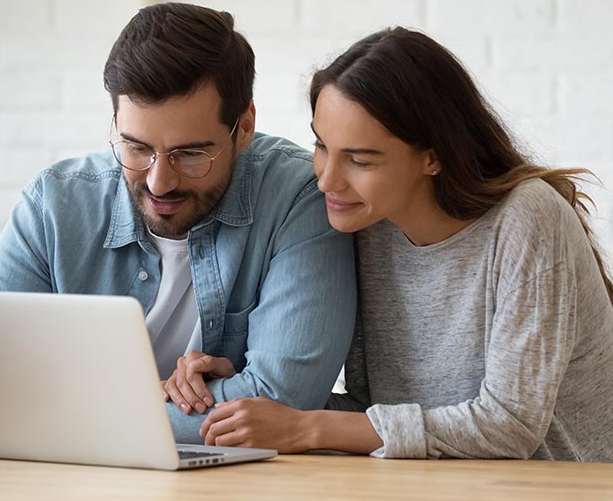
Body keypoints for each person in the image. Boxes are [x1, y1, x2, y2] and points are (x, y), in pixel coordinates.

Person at [0, 3, 356, 445]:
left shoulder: (298, 197)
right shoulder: (54, 205)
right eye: (135, 147)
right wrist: (145, 404)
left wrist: (55, 410)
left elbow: (284, 401)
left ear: (243, 127)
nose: (159, 182)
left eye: (190, 154)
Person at [196, 27, 613, 461]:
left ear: (433, 156)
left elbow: (508, 426)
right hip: (435, 493)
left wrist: (308, 425)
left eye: (359, 160)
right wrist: (243, 393)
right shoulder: (368, 224)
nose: (326, 180)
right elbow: (377, 418)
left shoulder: (527, 219)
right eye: (321, 145)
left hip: (563, 499)